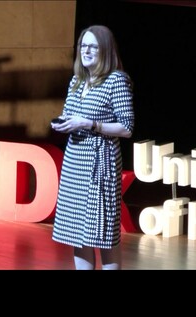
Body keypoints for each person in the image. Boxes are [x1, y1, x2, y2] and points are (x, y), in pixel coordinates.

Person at [51, 25, 135, 270]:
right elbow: (70, 114)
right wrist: (63, 123)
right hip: (75, 162)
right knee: (79, 233)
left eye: (93, 46)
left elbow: (127, 127)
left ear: (105, 50)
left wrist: (91, 124)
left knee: (103, 232)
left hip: (100, 164)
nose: (86, 51)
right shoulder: (77, 81)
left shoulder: (116, 80)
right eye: (83, 46)